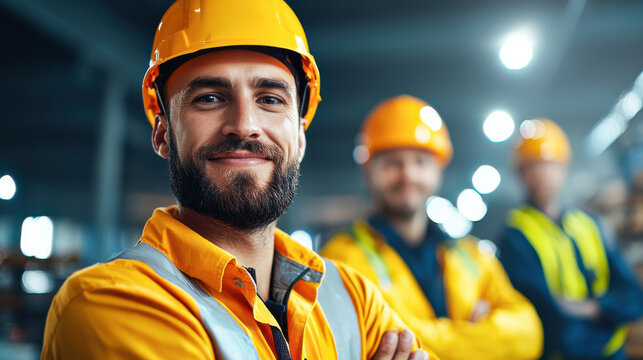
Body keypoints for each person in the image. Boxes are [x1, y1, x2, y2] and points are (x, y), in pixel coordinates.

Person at [41, 1, 433, 359]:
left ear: (299, 136)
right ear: (163, 133)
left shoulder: (353, 297)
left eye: (270, 99)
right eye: (209, 98)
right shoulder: (111, 303)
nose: (244, 125)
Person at [321, 95, 543, 360]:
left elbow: (529, 334)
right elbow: (372, 338)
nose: (408, 175)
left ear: (438, 170)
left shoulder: (470, 255)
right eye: (393, 163)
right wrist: (480, 338)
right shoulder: (340, 260)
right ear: (368, 172)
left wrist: (423, 338)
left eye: (420, 162)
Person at [498, 118, 643, 360]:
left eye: (550, 164)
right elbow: (552, 322)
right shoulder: (514, 238)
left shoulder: (590, 224)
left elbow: (634, 298)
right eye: (533, 166)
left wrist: (589, 308)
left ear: (564, 168)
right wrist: (608, 312)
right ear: (520, 175)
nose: (543, 175)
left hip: (614, 354)